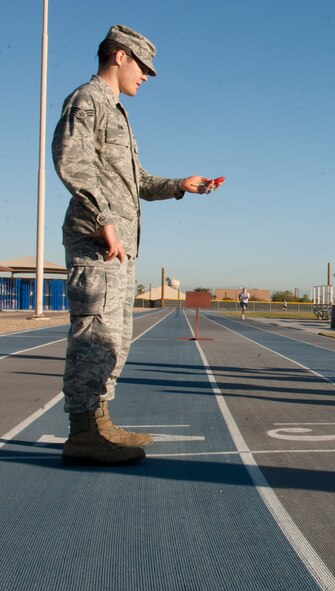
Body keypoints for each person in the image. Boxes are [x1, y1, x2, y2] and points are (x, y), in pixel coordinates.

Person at [53, 25, 219, 465]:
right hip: (98, 242)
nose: (145, 76)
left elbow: (138, 182)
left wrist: (181, 185)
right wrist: (103, 220)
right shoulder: (87, 100)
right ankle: (83, 433)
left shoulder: (117, 112)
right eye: (143, 66)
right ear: (121, 56)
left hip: (119, 245)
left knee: (114, 339)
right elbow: (72, 162)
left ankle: (100, 422)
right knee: (94, 336)